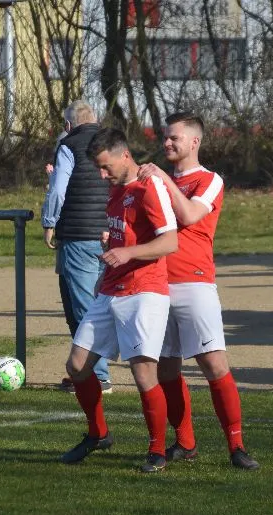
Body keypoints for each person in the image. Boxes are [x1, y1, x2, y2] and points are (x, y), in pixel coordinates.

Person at [137, 112, 259, 470]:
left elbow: (190, 215)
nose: (166, 143)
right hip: (157, 285)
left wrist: (163, 179)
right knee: (165, 369)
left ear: (195, 142)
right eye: (165, 137)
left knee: (213, 363)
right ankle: (185, 442)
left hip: (194, 282)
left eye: (174, 137)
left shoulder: (209, 180)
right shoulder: (156, 182)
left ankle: (237, 447)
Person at [60, 128, 178, 473]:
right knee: (77, 365)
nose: (102, 174)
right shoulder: (116, 190)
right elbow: (124, 235)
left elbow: (169, 242)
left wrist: (128, 252)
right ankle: (98, 434)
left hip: (145, 290)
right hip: (111, 288)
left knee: (143, 373)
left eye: (105, 166)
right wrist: (112, 246)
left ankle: (157, 450)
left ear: (124, 155)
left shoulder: (149, 187)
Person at [41, 101, 112, 393]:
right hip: (109, 234)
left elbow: (59, 189)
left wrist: (49, 221)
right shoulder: (111, 142)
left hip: (77, 234)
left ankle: (98, 375)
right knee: (94, 303)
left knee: (82, 308)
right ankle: (86, 370)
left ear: (68, 126)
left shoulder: (68, 145)